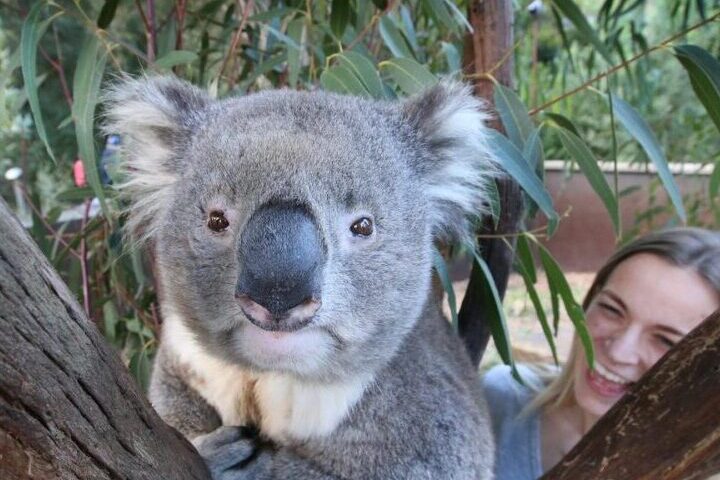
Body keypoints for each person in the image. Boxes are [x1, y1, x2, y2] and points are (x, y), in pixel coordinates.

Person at [482, 227, 720, 479]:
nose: (619, 351)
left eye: (665, 340)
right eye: (611, 309)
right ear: (587, 303)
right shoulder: (501, 399)